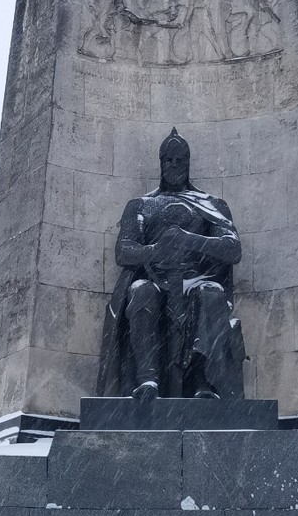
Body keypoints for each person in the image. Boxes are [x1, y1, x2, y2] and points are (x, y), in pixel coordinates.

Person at [96, 129, 245, 399]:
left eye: (180, 160)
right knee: (141, 290)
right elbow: (124, 251)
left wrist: (190, 240)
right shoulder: (141, 205)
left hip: (198, 282)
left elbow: (233, 249)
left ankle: (203, 382)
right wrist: (156, 250)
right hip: (156, 281)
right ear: (161, 163)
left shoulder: (212, 204)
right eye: (169, 160)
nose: (174, 166)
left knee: (211, 293)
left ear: (188, 163)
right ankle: (147, 380)